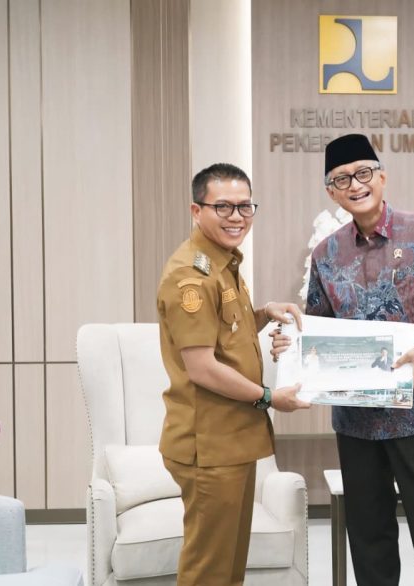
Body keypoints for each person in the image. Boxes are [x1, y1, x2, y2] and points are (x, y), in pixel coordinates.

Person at [306, 134, 414, 585]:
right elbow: (319, 330)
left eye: (364, 173)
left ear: (382, 177)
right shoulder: (326, 255)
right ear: (331, 191)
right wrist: (291, 345)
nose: (355, 184)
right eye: (342, 179)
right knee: (368, 532)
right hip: (357, 418)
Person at [156, 162, 310, 586]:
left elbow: (226, 332)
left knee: (229, 569)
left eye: (245, 206)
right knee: (209, 572)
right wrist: (269, 397)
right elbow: (203, 368)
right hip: (209, 444)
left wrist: (264, 313)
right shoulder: (191, 277)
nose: (236, 217)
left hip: (233, 440)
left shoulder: (222, 264)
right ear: (196, 210)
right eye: (223, 207)